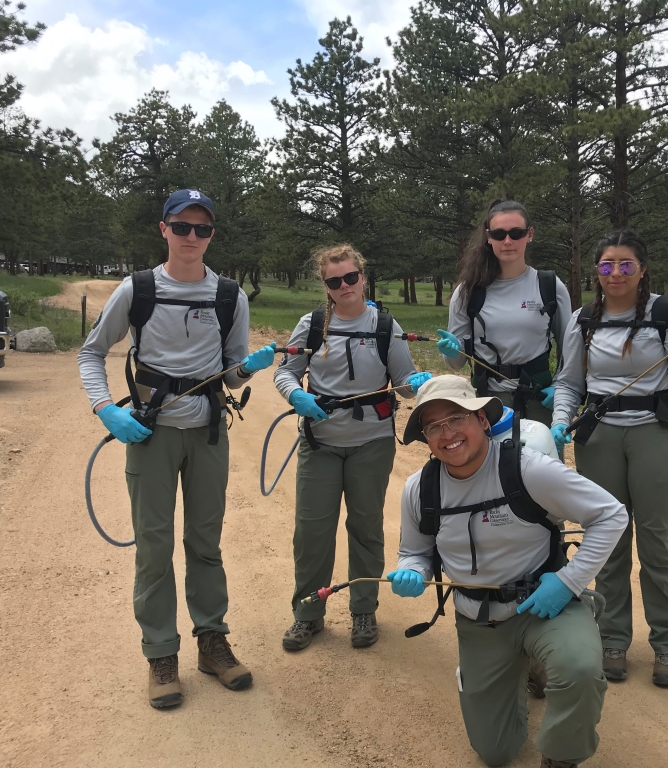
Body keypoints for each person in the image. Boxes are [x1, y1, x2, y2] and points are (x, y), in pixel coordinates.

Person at [79, 189, 278, 709]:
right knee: (153, 545)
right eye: (182, 227)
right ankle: (160, 654)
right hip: (151, 434)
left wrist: (247, 369)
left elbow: (231, 374)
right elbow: (91, 353)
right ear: (163, 229)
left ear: (212, 235)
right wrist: (108, 410)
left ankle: (212, 642)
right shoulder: (138, 289)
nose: (192, 237)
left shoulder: (230, 295)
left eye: (203, 229)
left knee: (205, 541)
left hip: (209, 433)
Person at [387, 375, 628, 768]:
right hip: (479, 621)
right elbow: (414, 552)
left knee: (580, 668)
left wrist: (568, 583)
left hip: (543, 606)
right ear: (426, 438)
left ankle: (562, 755)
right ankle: (515, 671)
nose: (447, 434)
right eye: (433, 426)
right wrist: (410, 571)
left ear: (482, 419)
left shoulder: (526, 468)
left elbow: (610, 514)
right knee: (496, 753)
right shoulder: (419, 489)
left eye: (456, 418)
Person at [549, 229, 668, 688]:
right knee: (609, 540)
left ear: (642, 269)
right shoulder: (583, 318)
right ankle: (612, 637)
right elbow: (569, 382)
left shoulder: (666, 313)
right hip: (599, 439)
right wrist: (562, 421)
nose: (615, 273)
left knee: (657, 540)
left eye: (625, 265)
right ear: (596, 271)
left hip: (659, 435)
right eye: (606, 265)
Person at [274, 244, 432, 652]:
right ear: (324, 285)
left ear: (362, 276)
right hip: (319, 442)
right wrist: (297, 397)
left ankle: (364, 608)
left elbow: (403, 380)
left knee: (365, 527)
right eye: (333, 281)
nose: (344, 286)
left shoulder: (384, 326)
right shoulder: (311, 326)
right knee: (312, 532)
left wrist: (417, 385)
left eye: (350, 277)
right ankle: (307, 613)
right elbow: (286, 373)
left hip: (372, 444)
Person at [437, 199, 572, 421]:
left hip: (538, 401)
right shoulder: (468, 291)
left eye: (516, 233)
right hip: (486, 405)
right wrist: (451, 351)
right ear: (489, 237)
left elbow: (570, 346)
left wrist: (561, 386)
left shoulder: (549, 285)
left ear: (530, 234)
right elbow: (456, 363)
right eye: (499, 234)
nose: (507, 241)